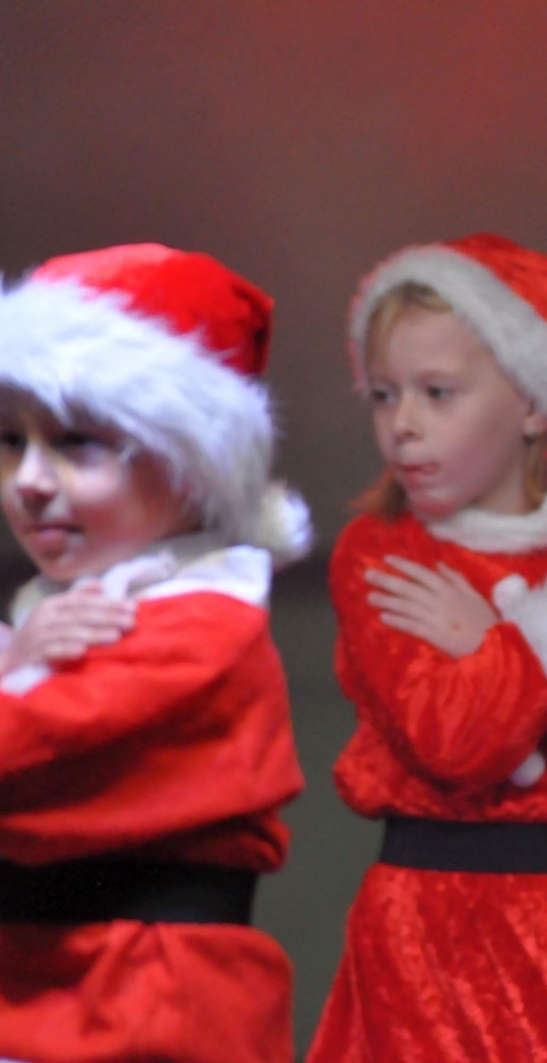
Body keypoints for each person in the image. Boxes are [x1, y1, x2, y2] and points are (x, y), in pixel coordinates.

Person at [307, 234, 547, 1063]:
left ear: (535, 404)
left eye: (438, 392)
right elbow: (453, 738)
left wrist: (491, 647)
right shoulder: (381, 551)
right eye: (382, 394)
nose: (402, 424)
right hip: (427, 939)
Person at [0, 243, 311, 1062]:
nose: (28, 479)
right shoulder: (60, 615)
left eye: (76, 443)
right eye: (10, 441)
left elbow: (27, 753)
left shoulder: (201, 629)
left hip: (145, 1014)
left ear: (192, 464)